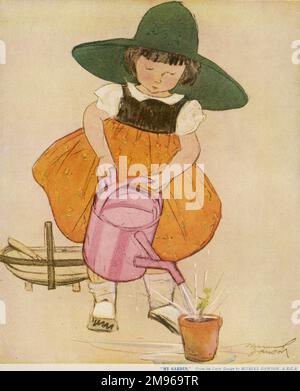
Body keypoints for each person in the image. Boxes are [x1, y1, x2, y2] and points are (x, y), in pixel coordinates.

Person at [33, 1, 248, 334]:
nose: (157, 79)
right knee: (103, 233)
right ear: (134, 60)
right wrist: (103, 156)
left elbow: (190, 148)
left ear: (186, 73)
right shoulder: (118, 95)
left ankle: (160, 302)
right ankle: (103, 300)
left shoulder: (184, 108)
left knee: (165, 236)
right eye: (149, 68)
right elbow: (92, 116)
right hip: (113, 168)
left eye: (169, 74)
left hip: (158, 177)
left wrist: (164, 177)